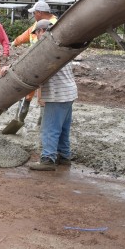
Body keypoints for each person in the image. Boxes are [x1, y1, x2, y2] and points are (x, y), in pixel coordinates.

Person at [25, 19, 77, 171]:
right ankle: (64, 156)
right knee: (63, 128)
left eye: (37, 33)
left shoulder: (46, 49)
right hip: (69, 92)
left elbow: (31, 67)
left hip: (57, 94)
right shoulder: (61, 45)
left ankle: (48, 159)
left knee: (50, 128)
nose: (36, 37)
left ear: (42, 31)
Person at [3, 0, 58, 133]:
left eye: (34, 13)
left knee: (43, 97)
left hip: (47, 67)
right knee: (26, 94)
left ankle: (42, 124)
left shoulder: (54, 25)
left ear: (39, 13)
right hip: (33, 65)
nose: (33, 15)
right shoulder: (37, 24)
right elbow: (28, 34)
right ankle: (19, 120)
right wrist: (15, 42)